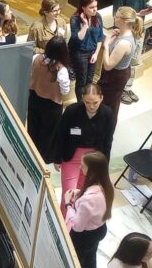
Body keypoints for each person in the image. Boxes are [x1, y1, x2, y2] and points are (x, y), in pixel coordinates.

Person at [49, 85, 115, 214]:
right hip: (72, 156)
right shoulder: (72, 111)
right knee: (68, 194)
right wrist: (57, 158)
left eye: (95, 102)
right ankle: (64, 227)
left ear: (101, 98)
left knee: (82, 192)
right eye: (87, 102)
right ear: (82, 99)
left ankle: (77, 222)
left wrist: (104, 165)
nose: (91, 106)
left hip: (92, 159)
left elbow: (108, 142)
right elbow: (60, 135)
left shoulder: (107, 114)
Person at [64, 151, 113, 268]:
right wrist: (80, 193)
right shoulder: (108, 186)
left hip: (83, 236)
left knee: (74, 260)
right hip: (100, 229)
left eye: (83, 166)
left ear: (92, 171)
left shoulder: (87, 201)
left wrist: (68, 204)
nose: (80, 168)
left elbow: (78, 226)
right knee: (91, 257)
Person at [113, 0, 152, 105]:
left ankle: (128, 87)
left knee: (134, 60)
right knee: (123, 62)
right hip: (126, 32)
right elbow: (117, 15)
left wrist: (149, 8)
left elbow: (145, 2)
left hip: (139, 29)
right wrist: (137, 14)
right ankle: (119, 90)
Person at [27, 35, 70, 158]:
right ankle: (42, 157)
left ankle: (30, 152)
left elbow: (31, 74)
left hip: (34, 98)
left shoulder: (36, 58)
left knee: (33, 128)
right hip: (51, 105)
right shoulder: (61, 70)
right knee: (48, 133)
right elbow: (65, 90)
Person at [98, 6, 143, 122]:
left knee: (109, 104)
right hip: (118, 73)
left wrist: (106, 45)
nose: (114, 18)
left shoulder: (124, 43)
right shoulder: (126, 33)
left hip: (115, 76)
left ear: (124, 21)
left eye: (117, 17)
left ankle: (106, 130)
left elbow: (108, 65)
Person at [68, 0, 104, 101]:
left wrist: (96, 53)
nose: (95, 10)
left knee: (90, 80)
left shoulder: (98, 17)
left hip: (92, 52)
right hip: (80, 52)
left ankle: (87, 100)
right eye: (91, 7)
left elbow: (100, 37)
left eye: (96, 7)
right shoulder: (75, 19)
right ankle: (81, 103)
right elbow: (77, 39)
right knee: (81, 81)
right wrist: (85, 25)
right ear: (83, 8)